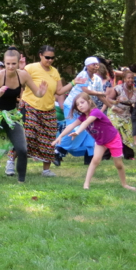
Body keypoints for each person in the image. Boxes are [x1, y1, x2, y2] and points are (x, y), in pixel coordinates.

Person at [0, 46, 47, 185]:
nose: (10, 67)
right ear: (4, 62)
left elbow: (37, 93)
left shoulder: (23, 75)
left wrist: (41, 93)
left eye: (13, 63)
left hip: (12, 115)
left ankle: (21, 181)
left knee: (22, 148)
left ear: (19, 62)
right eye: (7, 64)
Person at [20, 45, 83, 178]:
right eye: (47, 57)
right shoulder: (31, 68)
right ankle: (10, 161)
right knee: (27, 136)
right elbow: (19, 80)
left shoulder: (54, 71)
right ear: (40, 55)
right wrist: (20, 68)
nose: (50, 60)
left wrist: (73, 82)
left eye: (52, 58)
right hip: (31, 106)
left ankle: (46, 170)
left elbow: (59, 91)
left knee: (49, 139)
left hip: (48, 109)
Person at [53, 93, 136, 191]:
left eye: (82, 102)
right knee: (95, 160)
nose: (80, 105)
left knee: (118, 164)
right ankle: (86, 185)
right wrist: (60, 137)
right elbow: (70, 126)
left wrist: (77, 132)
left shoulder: (95, 112)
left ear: (89, 102)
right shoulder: (83, 116)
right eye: (77, 104)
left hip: (113, 138)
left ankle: (125, 184)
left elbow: (86, 122)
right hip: (100, 141)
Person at [55, 57, 107, 163]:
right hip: (72, 106)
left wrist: (111, 104)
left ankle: (89, 157)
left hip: (85, 108)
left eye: (97, 64)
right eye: (93, 64)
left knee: (90, 130)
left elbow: (102, 96)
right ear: (87, 66)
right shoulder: (83, 75)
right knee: (75, 129)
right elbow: (86, 91)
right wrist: (100, 94)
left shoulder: (97, 79)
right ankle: (58, 150)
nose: (96, 66)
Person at [106, 69, 136, 159]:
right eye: (128, 78)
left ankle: (129, 155)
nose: (130, 80)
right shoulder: (118, 88)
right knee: (113, 132)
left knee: (127, 134)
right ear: (124, 79)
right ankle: (106, 155)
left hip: (126, 114)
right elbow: (108, 99)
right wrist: (115, 102)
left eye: (132, 78)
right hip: (114, 113)